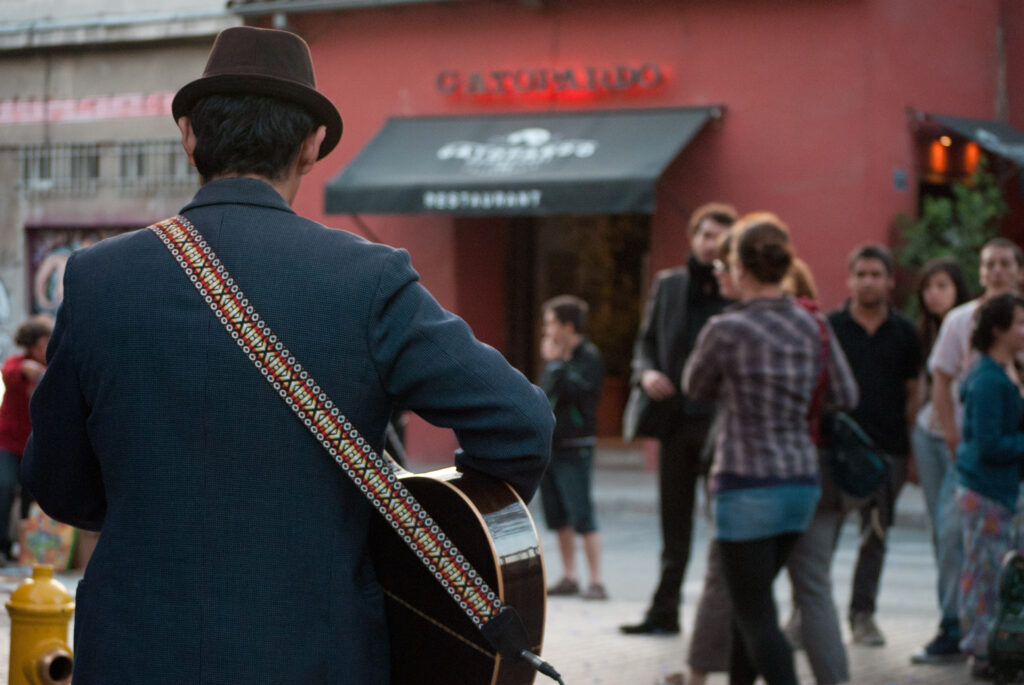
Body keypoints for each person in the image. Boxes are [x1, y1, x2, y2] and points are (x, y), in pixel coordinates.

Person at [21, 26, 554, 685]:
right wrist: (438, 533)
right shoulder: (369, 279)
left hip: (136, 650)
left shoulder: (99, 278)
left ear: (188, 135)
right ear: (311, 147)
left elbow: (55, 481)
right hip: (317, 654)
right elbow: (521, 420)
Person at [682, 213, 858, 685]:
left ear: (740, 268)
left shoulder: (726, 328)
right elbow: (846, 393)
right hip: (801, 483)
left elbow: (694, 387)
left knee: (756, 613)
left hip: (744, 484)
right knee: (750, 605)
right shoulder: (812, 324)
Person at [621, 201, 737, 636]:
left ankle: (725, 620)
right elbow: (645, 343)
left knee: (724, 524)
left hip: (722, 426)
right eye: (706, 236)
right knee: (674, 525)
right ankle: (664, 612)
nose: (712, 246)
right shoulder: (669, 285)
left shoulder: (734, 288)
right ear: (693, 237)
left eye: (722, 239)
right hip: (675, 422)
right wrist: (646, 372)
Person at [921, 237, 1024, 665]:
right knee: (959, 548)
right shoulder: (963, 327)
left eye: (1005, 263)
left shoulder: (1010, 351)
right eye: (989, 264)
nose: (997, 271)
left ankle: (997, 637)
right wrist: (952, 437)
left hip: (999, 467)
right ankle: (965, 637)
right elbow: (941, 381)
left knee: (995, 561)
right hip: (973, 459)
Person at [827, 244, 922, 647]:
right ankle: (805, 615)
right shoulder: (830, 326)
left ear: (890, 280)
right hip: (836, 450)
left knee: (876, 537)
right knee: (821, 536)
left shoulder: (904, 331)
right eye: (861, 274)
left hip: (888, 449)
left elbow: (915, 392)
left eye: (875, 274)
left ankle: (863, 616)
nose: (868, 281)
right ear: (849, 279)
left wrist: (912, 450)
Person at [954, 294, 1024, 679]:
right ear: (998, 330)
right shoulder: (987, 380)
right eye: (1019, 323)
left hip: (999, 489)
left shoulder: (1003, 373)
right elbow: (990, 444)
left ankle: (995, 645)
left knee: (997, 572)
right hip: (986, 490)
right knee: (984, 574)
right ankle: (982, 650)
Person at [907, 258, 971, 664]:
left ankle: (956, 625)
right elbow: (919, 389)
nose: (934, 293)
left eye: (942, 285)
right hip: (927, 436)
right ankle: (954, 619)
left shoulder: (975, 325)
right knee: (940, 533)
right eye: (928, 286)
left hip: (962, 440)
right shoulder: (922, 332)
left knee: (953, 532)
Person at [538, 295, 606, 601]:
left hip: (576, 445)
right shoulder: (555, 359)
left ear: (567, 325)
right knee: (558, 515)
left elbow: (581, 392)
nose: (547, 329)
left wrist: (558, 364)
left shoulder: (588, 356)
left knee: (582, 513)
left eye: (551, 322)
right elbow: (544, 395)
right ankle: (569, 576)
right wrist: (554, 364)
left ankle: (596, 581)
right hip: (552, 445)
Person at [0, 315, 52, 559]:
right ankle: (3, 545)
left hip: (36, 444)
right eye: (43, 344)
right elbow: (9, 373)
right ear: (31, 346)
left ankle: (27, 548)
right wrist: (26, 370)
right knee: (5, 487)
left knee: (32, 498)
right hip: (8, 442)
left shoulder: (54, 367)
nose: (47, 348)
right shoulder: (17, 363)